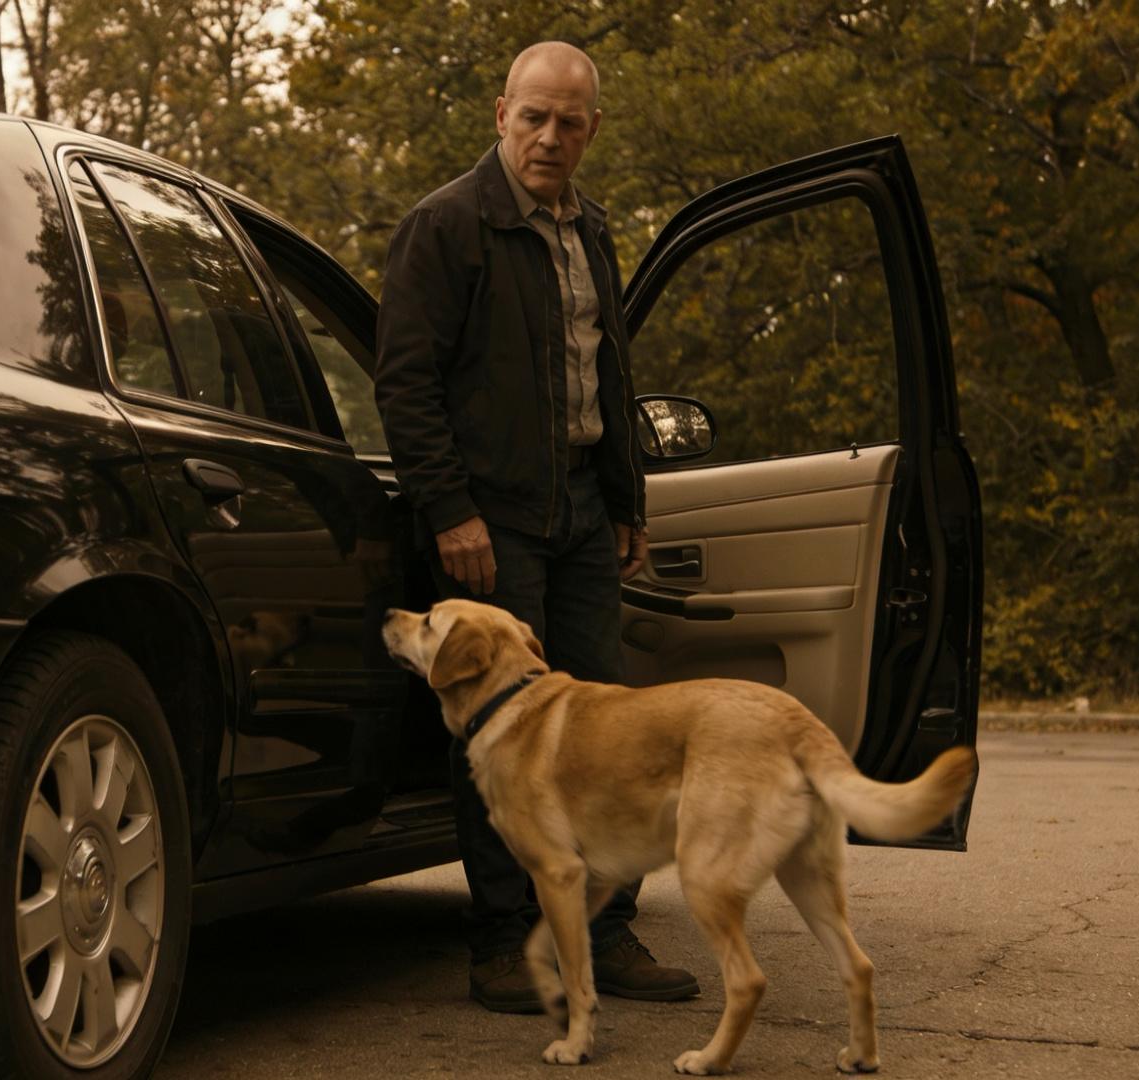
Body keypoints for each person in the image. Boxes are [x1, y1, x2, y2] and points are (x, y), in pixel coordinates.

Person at [373, 41, 700, 1013]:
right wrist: (451, 511)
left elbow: (607, 375)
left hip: (583, 515)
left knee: (607, 732)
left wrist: (627, 500)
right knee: (500, 733)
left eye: (570, 122)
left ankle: (602, 931)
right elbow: (407, 382)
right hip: (492, 518)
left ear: (592, 128)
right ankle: (503, 942)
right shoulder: (445, 226)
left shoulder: (590, 228)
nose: (550, 137)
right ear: (501, 113)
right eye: (535, 117)